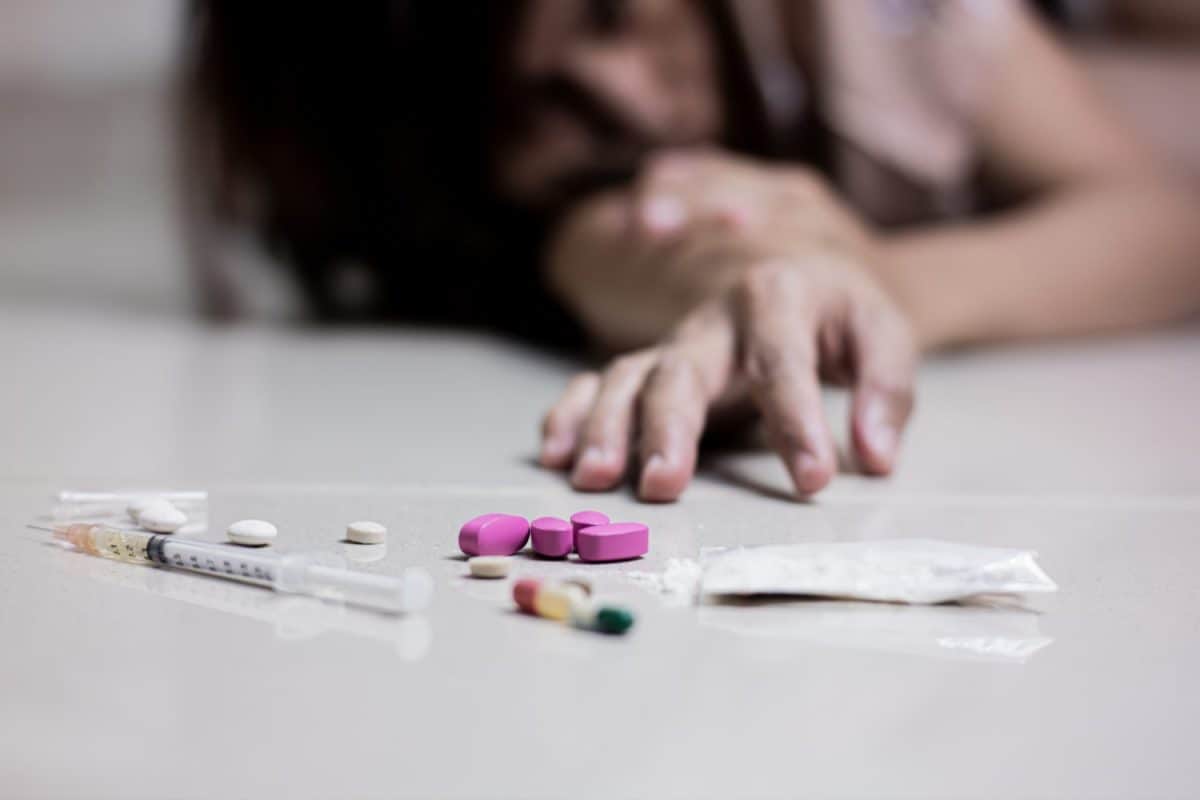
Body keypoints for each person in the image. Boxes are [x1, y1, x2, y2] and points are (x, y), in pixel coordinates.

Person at [183, 0, 1200, 502]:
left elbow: (1167, 228)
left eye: (613, 12)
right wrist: (741, 279)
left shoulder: (874, 18)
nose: (626, 94)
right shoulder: (459, 192)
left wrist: (888, 286)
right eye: (551, 97)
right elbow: (622, 241)